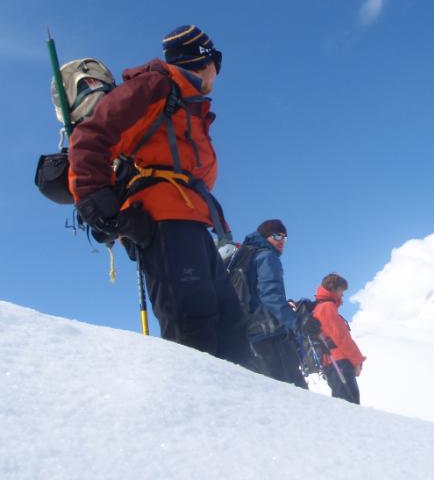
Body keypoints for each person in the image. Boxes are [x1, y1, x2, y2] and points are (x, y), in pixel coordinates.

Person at [68, 25, 251, 367]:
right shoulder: (155, 87)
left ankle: (250, 415)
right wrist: (100, 207)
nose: (218, 73)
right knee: (194, 328)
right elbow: (91, 136)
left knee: (232, 328)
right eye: (218, 62)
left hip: (192, 222)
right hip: (162, 222)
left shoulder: (189, 105)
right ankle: (198, 414)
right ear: (205, 60)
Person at [240, 219, 310, 388]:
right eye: (277, 236)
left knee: (275, 393)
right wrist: (297, 322)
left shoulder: (249, 256)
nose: (282, 242)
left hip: (252, 335)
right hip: (272, 336)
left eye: (284, 238)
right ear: (265, 237)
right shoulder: (267, 256)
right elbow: (270, 295)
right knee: (296, 392)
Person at [313, 273, 366, 404]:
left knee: (343, 403)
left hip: (333, 362)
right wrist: (357, 362)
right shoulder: (326, 308)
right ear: (334, 289)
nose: (343, 295)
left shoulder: (321, 308)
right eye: (342, 290)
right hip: (338, 361)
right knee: (349, 404)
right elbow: (341, 337)